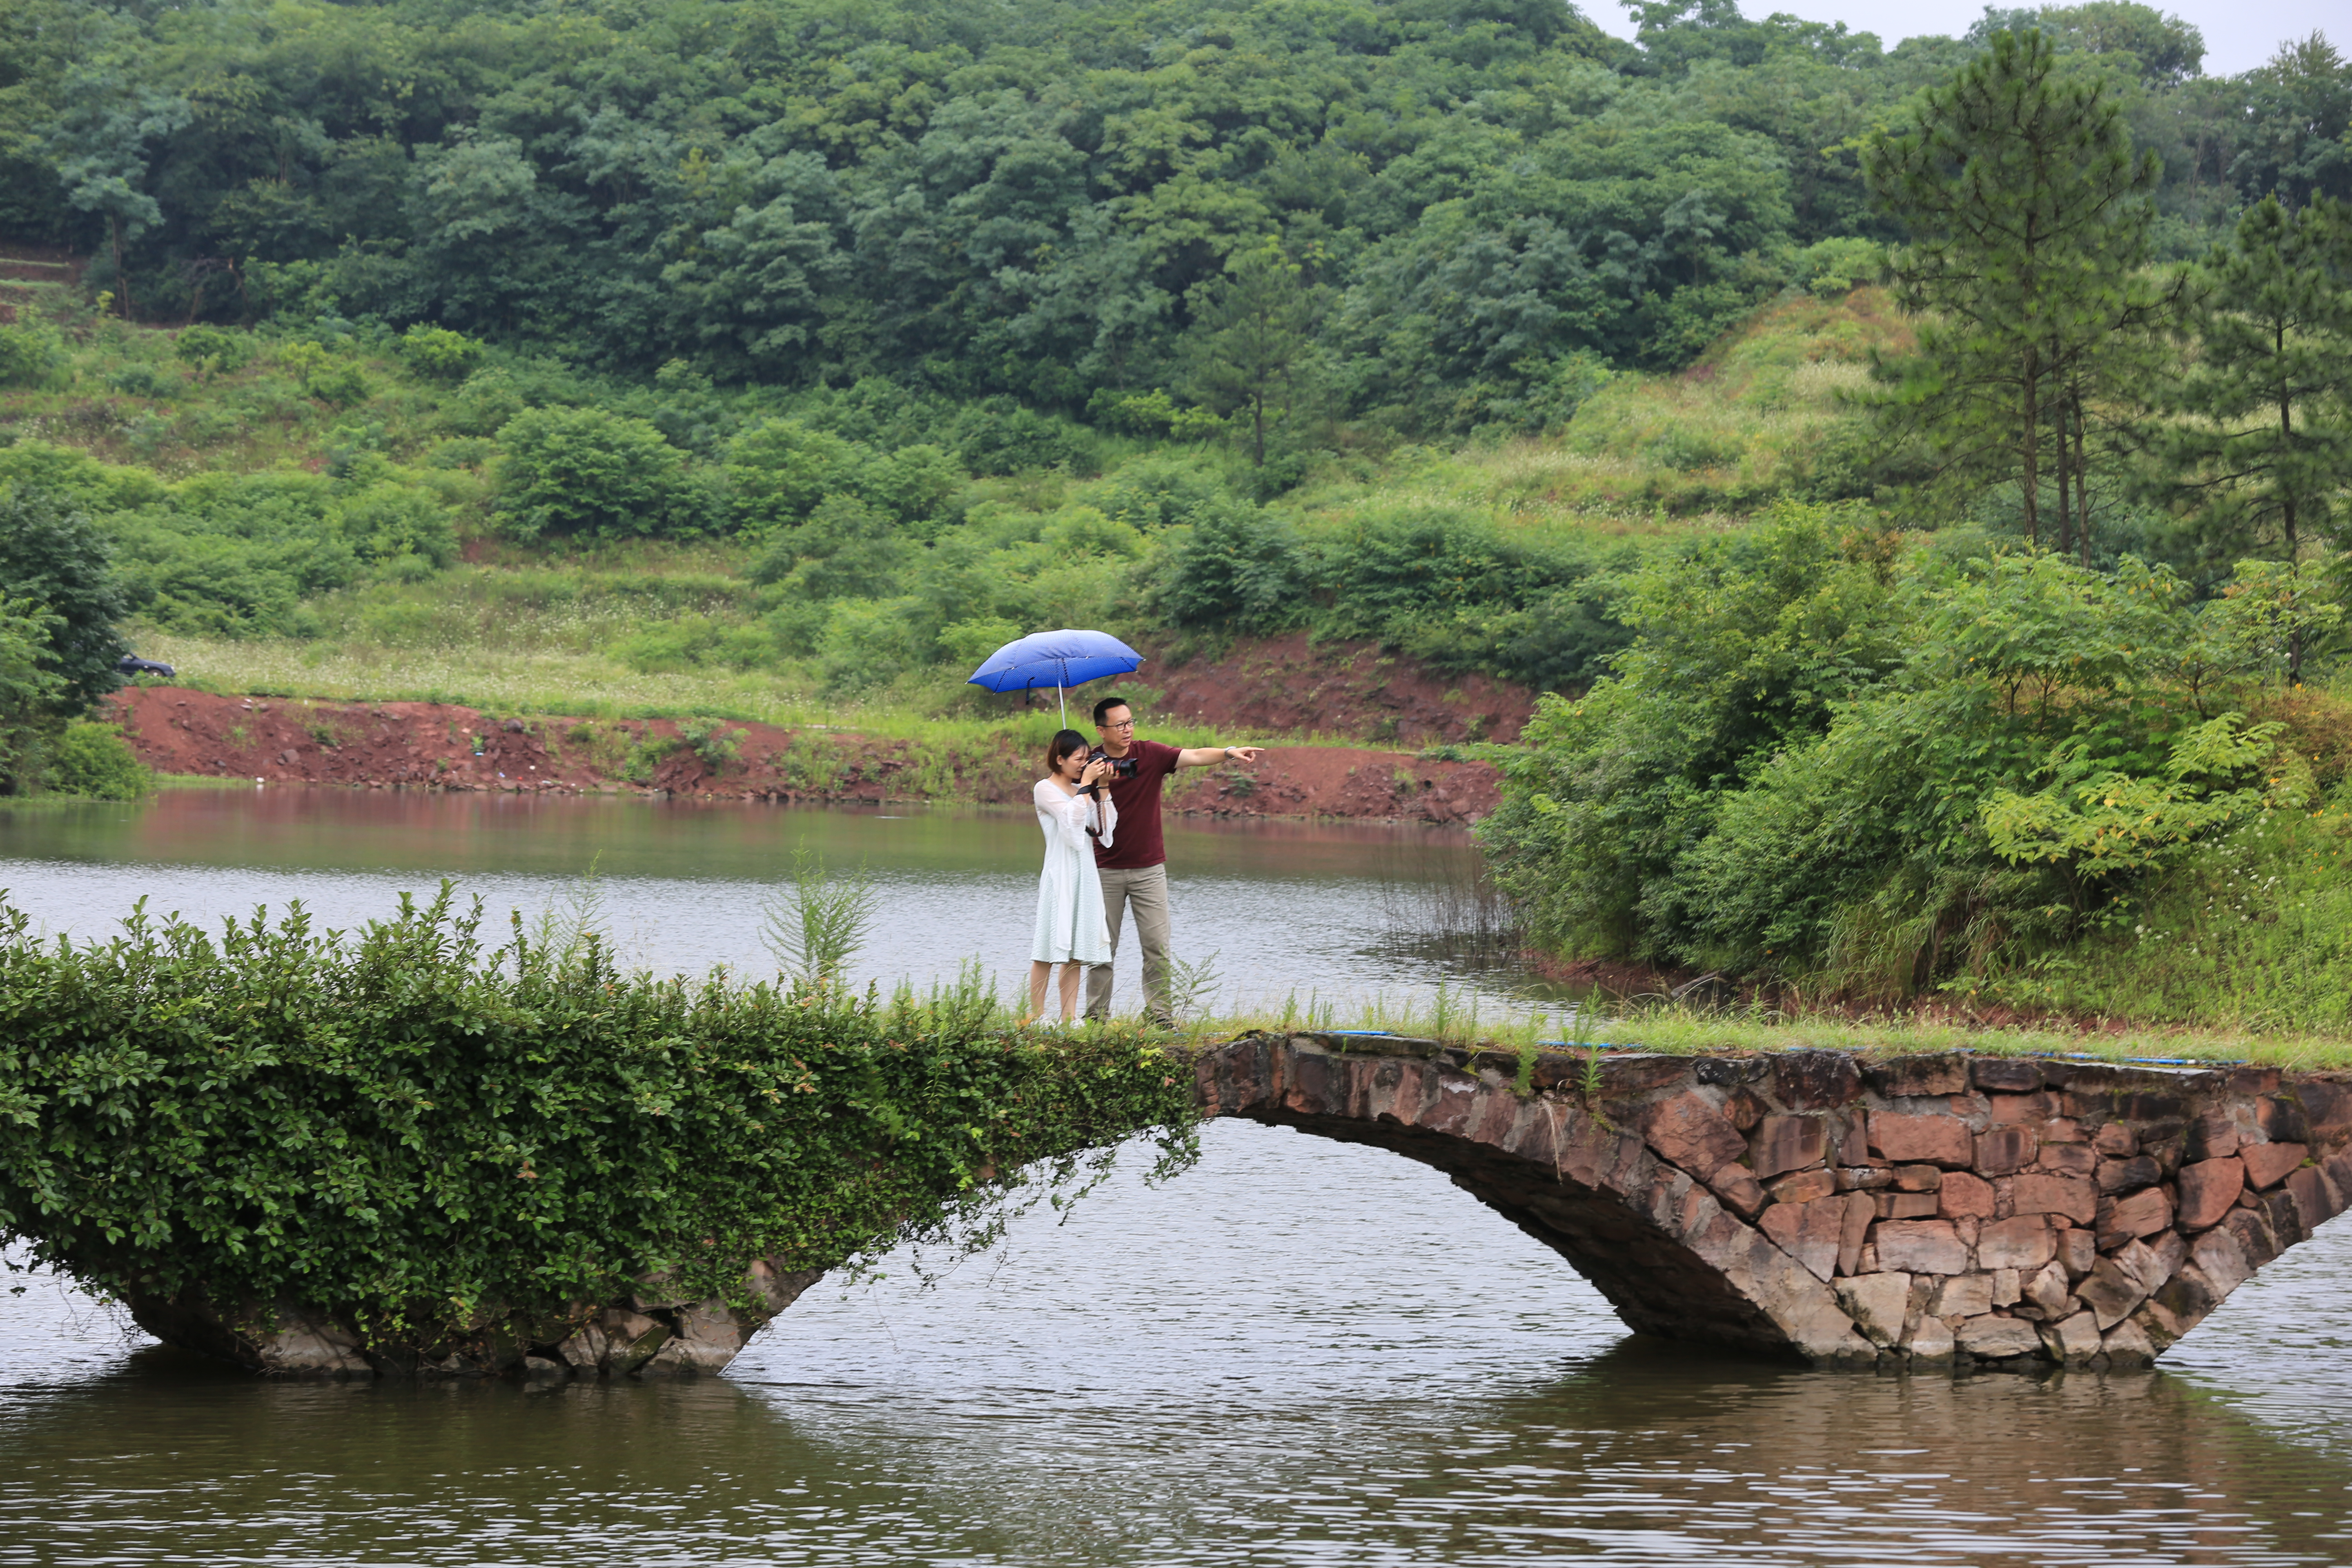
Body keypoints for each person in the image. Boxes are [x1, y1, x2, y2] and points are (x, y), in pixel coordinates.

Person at [1081, 695, 1261, 1025]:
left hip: (1150, 869)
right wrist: (1093, 780)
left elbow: (1192, 755)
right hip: (1104, 869)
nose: (1127, 730)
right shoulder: (1090, 765)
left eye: (1130, 722)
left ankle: (1159, 1016)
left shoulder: (1149, 753)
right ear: (1101, 730)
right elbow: (1078, 815)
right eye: (1119, 725)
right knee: (1101, 951)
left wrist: (1227, 752)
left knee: (1157, 947)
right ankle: (1096, 1018)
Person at [1028, 729, 1118, 1022]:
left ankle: (1070, 1017)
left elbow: (1104, 834)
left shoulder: (1083, 791)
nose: (1083, 764)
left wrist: (1102, 788)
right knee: (1047, 947)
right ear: (1060, 759)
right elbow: (1070, 829)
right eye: (1078, 759)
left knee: (1077, 950)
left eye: (1086, 759)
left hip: (1085, 873)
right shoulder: (1044, 789)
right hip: (1060, 874)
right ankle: (1038, 1016)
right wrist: (1087, 786)